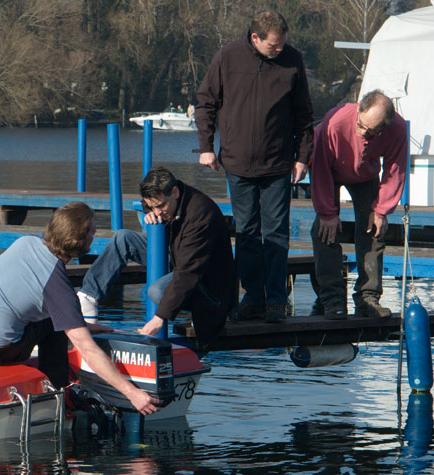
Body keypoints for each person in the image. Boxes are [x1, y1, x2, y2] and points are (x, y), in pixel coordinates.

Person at [0, 201, 160, 416]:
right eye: (92, 232)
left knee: (54, 318)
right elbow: (87, 349)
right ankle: (59, 394)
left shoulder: (25, 243)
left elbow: (21, 292)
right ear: (79, 239)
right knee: (54, 325)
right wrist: (132, 393)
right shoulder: (58, 287)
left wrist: (78, 323)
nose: (94, 236)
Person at [194, 10, 314, 323]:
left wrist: (303, 157)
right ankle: (252, 298)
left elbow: (304, 114)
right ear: (255, 38)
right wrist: (206, 147)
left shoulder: (292, 60)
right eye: (274, 45)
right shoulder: (228, 57)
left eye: (283, 43)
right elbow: (206, 102)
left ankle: (275, 300)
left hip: (278, 163)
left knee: (276, 233)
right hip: (236, 162)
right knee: (247, 232)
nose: (279, 49)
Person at [77, 167, 236, 347]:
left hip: (207, 282)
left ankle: (192, 311)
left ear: (175, 192)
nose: (158, 212)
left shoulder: (200, 215)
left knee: (157, 291)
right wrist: (149, 210)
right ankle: (87, 296)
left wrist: (160, 317)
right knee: (123, 238)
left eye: (160, 206)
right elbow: (152, 202)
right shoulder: (169, 198)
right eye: (152, 206)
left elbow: (188, 272)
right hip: (177, 258)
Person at [310, 90, 408, 319]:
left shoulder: (398, 129)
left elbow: (395, 170)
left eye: (371, 131)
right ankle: (333, 299)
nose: (363, 132)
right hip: (329, 167)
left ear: (384, 127)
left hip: (365, 174)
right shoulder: (335, 122)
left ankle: (367, 298)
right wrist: (327, 213)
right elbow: (320, 167)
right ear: (359, 112)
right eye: (360, 125)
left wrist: (382, 210)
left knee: (374, 230)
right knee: (324, 231)